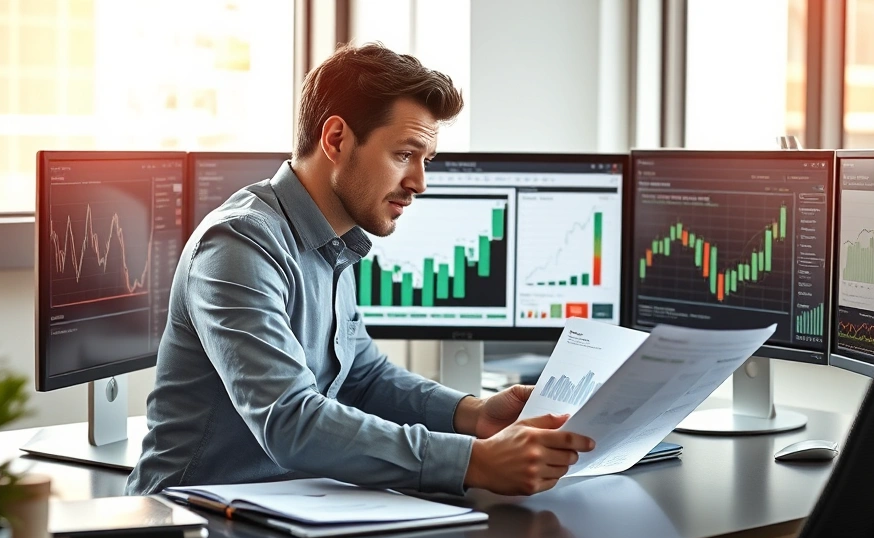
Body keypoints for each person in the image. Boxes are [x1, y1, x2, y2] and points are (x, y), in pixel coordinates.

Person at [126, 43, 595, 497]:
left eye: (425, 161)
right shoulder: (240, 244)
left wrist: (475, 415)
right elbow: (290, 421)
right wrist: (475, 461)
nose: (419, 183)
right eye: (404, 154)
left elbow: (360, 377)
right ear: (336, 139)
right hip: (190, 526)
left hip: (289, 510)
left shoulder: (336, 242)